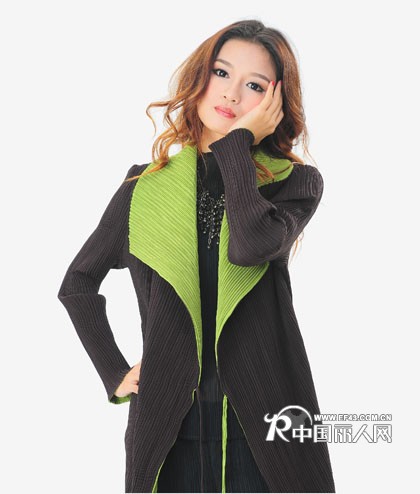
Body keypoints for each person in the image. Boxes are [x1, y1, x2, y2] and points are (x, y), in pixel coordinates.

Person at [58, 19, 336, 493]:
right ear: (201, 77)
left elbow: (249, 246)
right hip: (170, 428)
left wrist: (236, 146)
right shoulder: (143, 189)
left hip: (267, 429)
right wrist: (115, 372)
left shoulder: (293, 183)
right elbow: (78, 283)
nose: (231, 94)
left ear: (274, 103)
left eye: (254, 85)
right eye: (221, 73)